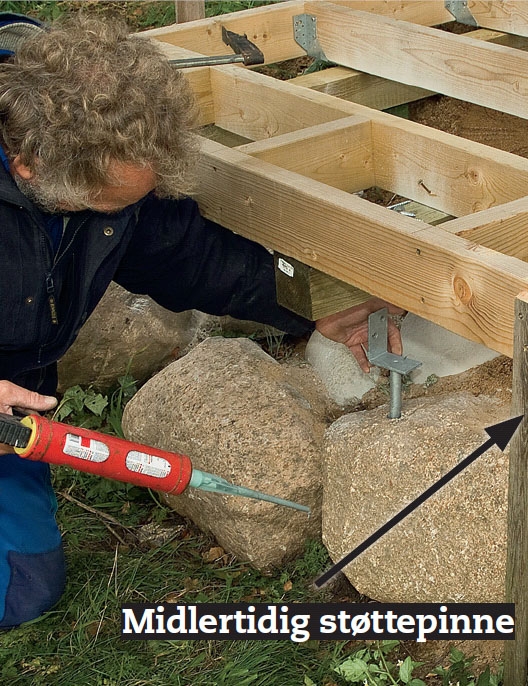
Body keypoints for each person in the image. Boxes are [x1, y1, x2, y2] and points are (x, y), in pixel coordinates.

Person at [0, 12, 402, 628]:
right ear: (28, 163)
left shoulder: (99, 161)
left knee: (22, 592)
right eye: (105, 205)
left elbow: (189, 258)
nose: (119, 214)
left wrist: (315, 305)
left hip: (14, 401)